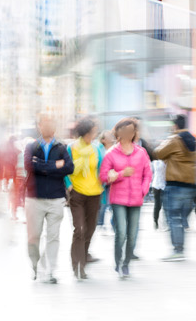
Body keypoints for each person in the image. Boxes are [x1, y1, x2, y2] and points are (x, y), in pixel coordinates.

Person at [23, 114, 74, 284]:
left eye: (52, 123)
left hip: (56, 198)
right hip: (34, 198)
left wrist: (43, 166)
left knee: (53, 237)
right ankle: (35, 264)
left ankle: (49, 271)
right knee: (33, 237)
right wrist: (54, 166)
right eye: (45, 123)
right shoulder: (31, 146)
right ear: (39, 126)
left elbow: (69, 167)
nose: (49, 127)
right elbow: (29, 166)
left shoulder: (62, 147)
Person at [100, 118, 150, 279]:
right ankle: (118, 262)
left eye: (132, 130)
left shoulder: (141, 152)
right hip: (118, 199)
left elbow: (147, 174)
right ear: (118, 132)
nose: (128, 133)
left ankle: (126, 263)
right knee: (121, 232)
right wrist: (121, 174)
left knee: (132, 233)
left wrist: (143, 190)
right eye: (125, 130)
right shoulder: (111, 153)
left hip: (136, 198)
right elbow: (103, 176)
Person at [153, 114, 196, 262]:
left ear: (174, 125)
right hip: (190, 185)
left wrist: (170, 136)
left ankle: (178, 250)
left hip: (175, 185)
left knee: (173, 218)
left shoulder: (174, 139)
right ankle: (181, 249)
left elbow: (158, 153)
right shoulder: (193, 139)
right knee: (181, 219)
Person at [67, 117, 104, 280]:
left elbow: (101, 169)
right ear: (86, 132)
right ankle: (78, 265)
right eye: (93, 132)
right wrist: (68, 185)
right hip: (77, 194)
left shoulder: (97, 149)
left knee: (90, 229)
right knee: (79, 229)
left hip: (94, 194)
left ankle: (84, 260)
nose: (94, 134)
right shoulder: (71, 148)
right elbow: (67, 169)